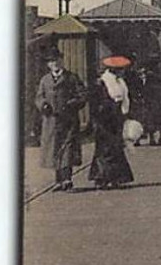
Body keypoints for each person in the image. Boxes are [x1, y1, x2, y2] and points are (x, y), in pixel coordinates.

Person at [35, 47, 86, 191]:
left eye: (57, 60)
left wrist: (74, 103)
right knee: (54, 150)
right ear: (48, 64)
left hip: (68, 120)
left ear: (61, 61)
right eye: (51, 61)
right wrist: (43, 105)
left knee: (67, 148)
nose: (55, 63)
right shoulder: (45, 80)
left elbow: (83, 94)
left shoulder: (72, 77)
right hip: (51, 121)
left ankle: (67, 179)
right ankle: (58, 181)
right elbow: (39, 97)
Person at [89, 57, 136, 190]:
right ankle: (101, 178)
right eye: (121, 70)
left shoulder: (120, 82)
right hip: (104, 119)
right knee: (104, 149)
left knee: (116, 148)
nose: (123, 72)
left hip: (117, 118)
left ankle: (115, 178)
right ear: (114, 70)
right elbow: (97, 102)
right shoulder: (102, 82)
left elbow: (126, 98)